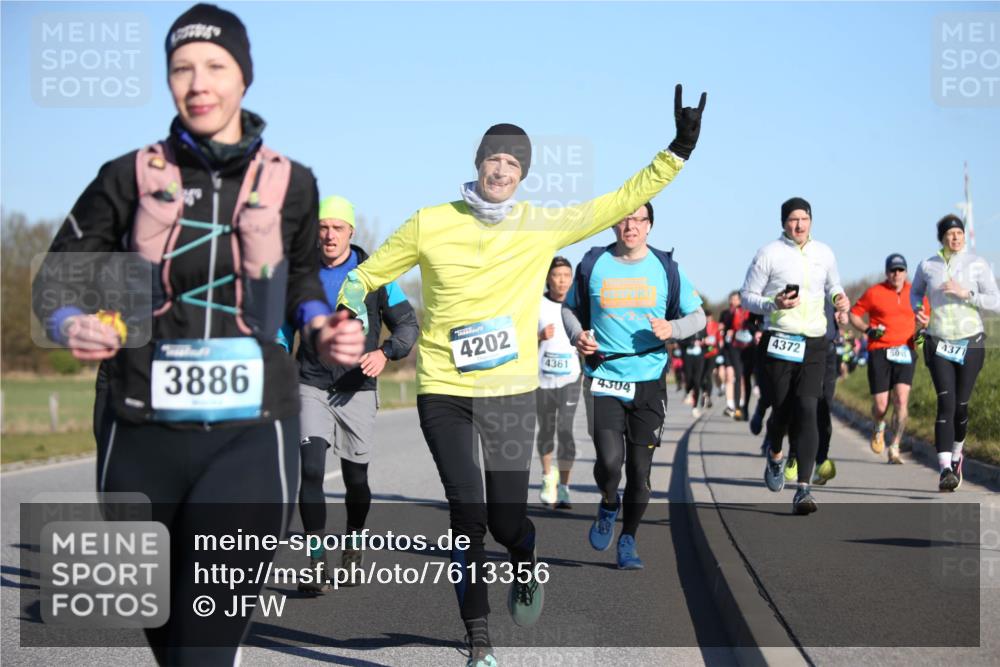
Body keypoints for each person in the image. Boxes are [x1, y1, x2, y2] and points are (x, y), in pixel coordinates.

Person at [31, 4, 365, 664]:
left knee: (200, 650)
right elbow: (55, 281)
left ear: (244, 77)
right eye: (181, 68)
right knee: (168, 632)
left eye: (216, 66)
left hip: (249, 432)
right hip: (137, 432)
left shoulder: (291, 182)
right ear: (167, 80)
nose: (198, 82)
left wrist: (321, 326)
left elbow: (300, 284)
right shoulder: (124, 176)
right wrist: (73, 322)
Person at [335, 86, 707, 666]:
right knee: (468, 514)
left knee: (509, 519)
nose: (501, 170)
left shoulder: (540, 225)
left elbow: (616, 202)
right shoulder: (430, 222)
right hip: (445, 390)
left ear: (523, 175)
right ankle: (478, 637)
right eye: (493, 159)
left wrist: (678, 149)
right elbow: (364, 276)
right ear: (477, 164)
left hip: (509, 391)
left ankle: (526, 558)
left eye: (513, 163)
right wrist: (349, 310)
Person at [564, 202, 705, 569]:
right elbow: (568, 309)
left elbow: (699, 316)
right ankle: (609, 501)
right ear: (614, 225)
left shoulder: (665, 268)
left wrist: (672, 329)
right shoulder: (593, 264)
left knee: (640, 472)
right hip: (604, 376)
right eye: (624, 219)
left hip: (649, 382)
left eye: (639, 219)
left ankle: (628, 540)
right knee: (610, 462)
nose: (631, 226)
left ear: (649, 226)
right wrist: (578, 334)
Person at [296, 195, 418, 593]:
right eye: (323, 227)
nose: (329, 235)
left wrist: (385, 353)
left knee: (355, 479)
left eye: (337, 227)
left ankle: (353, 542)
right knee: (311, 469)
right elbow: (282, 329)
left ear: (351, 232)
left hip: (357, 389)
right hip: (310, 383)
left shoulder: (376, 275)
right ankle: (315, 560)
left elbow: (406, 326)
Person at [741, 197, 849, 515]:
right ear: (783, 223)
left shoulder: (824, 253)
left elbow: (833, 285)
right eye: (792, 219)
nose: (798, 225)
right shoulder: (769, 254)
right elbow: (748, 296)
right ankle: (775, 453)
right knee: (783, 411)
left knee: (807, 407)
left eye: (803, 218)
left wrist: (839, 298)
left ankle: (804, 488)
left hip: (815, 340)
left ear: (811, 221)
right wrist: (773, 303)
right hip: (779, 340)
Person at [910, 215, 999, 491]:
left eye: (959, 232)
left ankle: (957, 455)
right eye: (950, 234)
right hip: (938, 342)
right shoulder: (928, 265)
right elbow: (915, 294)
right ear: (942, 238)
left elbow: (996, 302)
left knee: (961, 406)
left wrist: (967, 293)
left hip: (970, 341)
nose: (955, 238)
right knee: (945, 403)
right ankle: (945, 469)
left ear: (964, 236)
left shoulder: (977, 264)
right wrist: (919, 310)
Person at [849, 253, 926, 464]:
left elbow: (926, 320)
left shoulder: (916, 294)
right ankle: (878, 425)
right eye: (893, 270)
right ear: (886, 272)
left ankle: (895, 446)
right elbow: (853, 314)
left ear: (906, 272)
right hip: (880, 351)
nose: (897, 274)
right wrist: (867, 329)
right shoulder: (874, 292)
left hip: (906, 351)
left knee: (901, 399)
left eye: (901, 270)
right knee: (881, 406)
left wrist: (922, 334)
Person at [535, 256, 581, 509]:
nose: (562, 280)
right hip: (542, 379)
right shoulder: (537, 304)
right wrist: (538, 336)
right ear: (548, 278)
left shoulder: (578, 305)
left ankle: (564, 487)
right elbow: (519, 337)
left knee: (565, 430)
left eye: (566, 275)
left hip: (570, 378)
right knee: (546, 431)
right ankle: (546, 479)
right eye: (557, 275)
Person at [720, 291, 753, 419]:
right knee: (738, 376)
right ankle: (737, 408)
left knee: (747, 377)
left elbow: (756, 325)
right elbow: (725, 326)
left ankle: (745, 407)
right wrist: (726, 331)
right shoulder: (730, 312)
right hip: (735, 347)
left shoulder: (752, 310)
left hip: (749, 348)